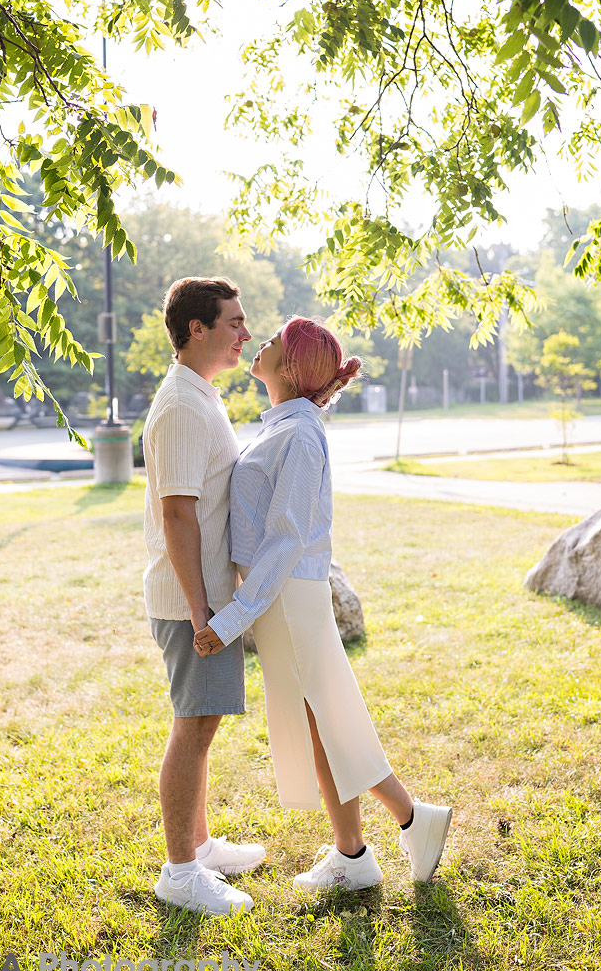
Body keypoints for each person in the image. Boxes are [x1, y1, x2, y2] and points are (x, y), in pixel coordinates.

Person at [194, 317, 452, 891]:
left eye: (273, 341)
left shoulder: (299, 435)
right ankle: (356, 855)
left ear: (288, 367)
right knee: (322, 724)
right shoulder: (283, 427)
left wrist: (230, 619)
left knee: (333, 720)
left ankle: (412, 820)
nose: (259, 342)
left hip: (291, 598)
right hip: (282, 599)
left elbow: (286, 538)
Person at [142, 277, 265, 916]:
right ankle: (181, 873)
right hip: (196, 602)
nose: (246, 333)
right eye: (235, 322)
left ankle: (201, 845)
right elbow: (179, 517)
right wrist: (202, 612)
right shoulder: (184, 406)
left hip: (206, 597)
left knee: (201, 725)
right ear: (199, 328)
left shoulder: (199, 396)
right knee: (194, 728)